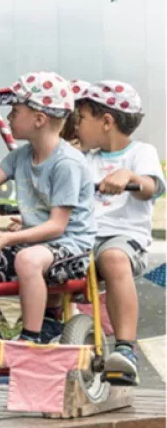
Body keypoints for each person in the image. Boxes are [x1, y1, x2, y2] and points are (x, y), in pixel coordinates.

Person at [0, 72, 95, 364]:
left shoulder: (67, 164)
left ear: (39, 119)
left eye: (15, 111)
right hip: (33, 246)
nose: (9, 117)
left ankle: (31, 338)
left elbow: (57, 226)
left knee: (27, 260)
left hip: (70, 248)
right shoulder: (20, 156)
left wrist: (11, 237)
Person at [72, 80, 164, 385]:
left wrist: (129, 177)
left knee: (112, 258)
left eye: (82, 119)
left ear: (107, 122)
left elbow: (150, 187)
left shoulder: (141, 152)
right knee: (44, 257)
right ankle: (45, 329)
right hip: (83, 238)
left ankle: (125, 348)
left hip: (122, 240)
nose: (77, 126)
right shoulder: (86, 158)